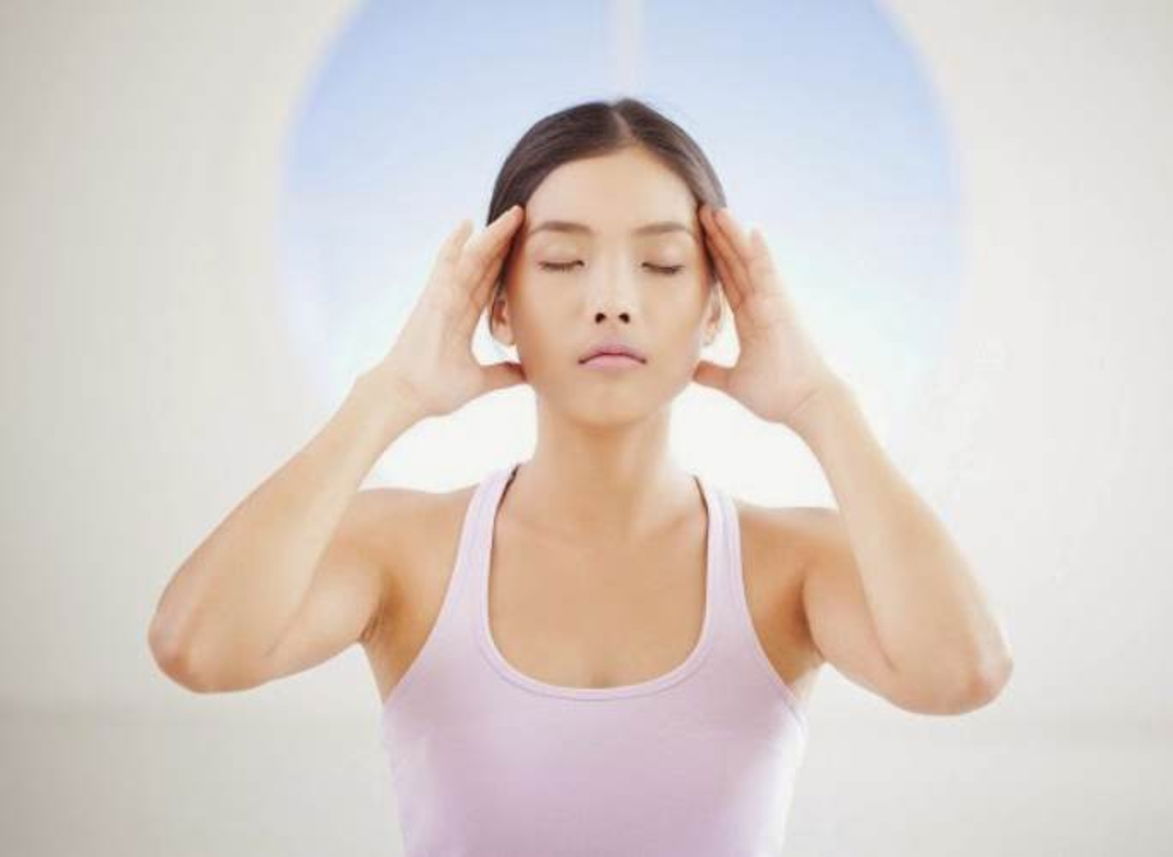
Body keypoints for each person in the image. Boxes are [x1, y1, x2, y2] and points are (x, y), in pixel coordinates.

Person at [148, 97, 1012, 855]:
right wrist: (390, 394)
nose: (612, 299)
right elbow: (199, 647)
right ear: (497, 304)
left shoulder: (794, 563)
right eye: (562, 261)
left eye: (663, 264)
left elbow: (961, 673)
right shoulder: (403, 551)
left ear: (718, 309)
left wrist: (823, 402)